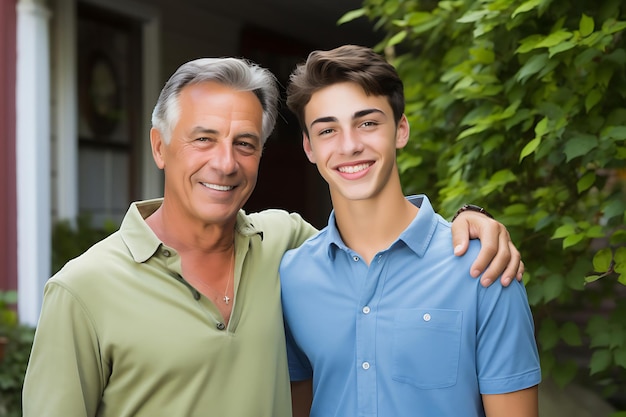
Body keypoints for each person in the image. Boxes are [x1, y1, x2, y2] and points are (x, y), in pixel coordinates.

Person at [23, 56, 523, 417]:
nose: (224, 163)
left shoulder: (284, 246)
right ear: (160, 146)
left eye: (245, 143)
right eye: (203, 139)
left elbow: (376, 232)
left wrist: (472, 219)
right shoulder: (81, 291)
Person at [280, 44, 541, 417]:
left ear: (400, 130)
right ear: (309, 147)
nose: (350, 145)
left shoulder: (483, 266)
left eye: (368, 123)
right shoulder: (292, 276)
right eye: (327, 130)